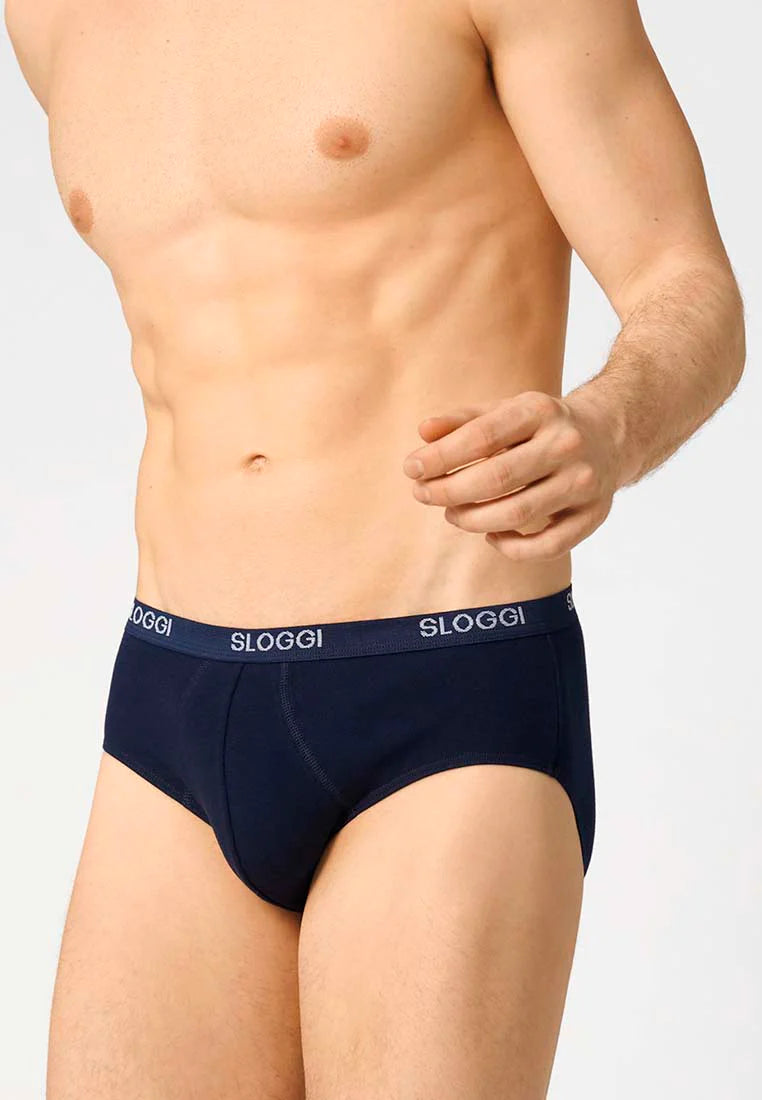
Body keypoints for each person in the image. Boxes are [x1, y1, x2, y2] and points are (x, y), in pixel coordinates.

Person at [5, 0, 744, 1095]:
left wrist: (610, 425)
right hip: (171, 700)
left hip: (441, 689)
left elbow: (687, 281)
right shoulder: (49, 15)